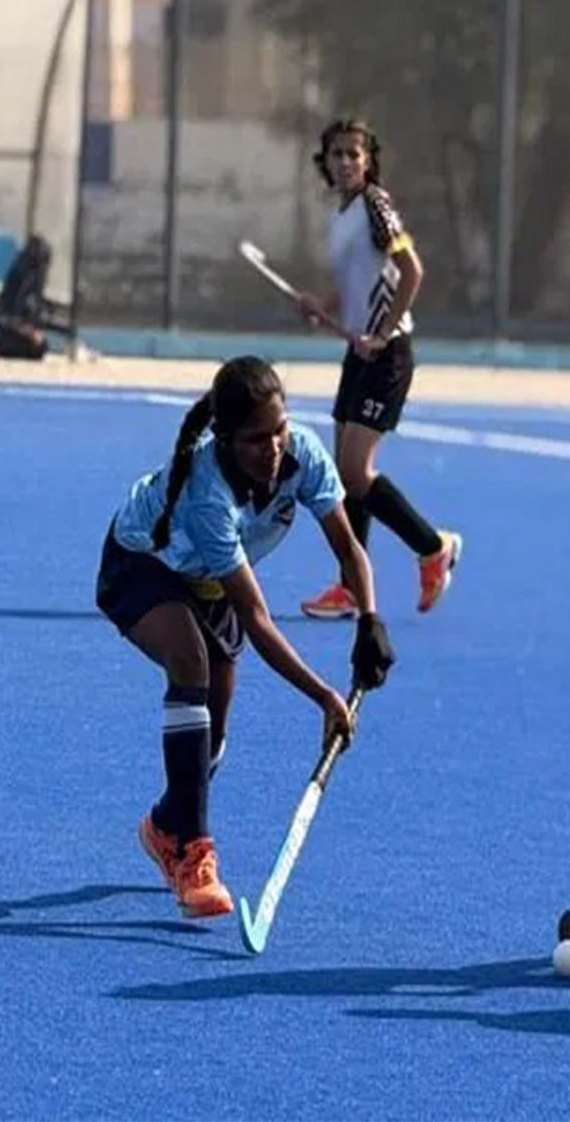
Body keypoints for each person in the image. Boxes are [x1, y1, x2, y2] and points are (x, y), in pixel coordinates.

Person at [96, 355, 395, 918]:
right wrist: (325, 698)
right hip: (141, 564)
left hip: (208, 583)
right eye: (258, 439)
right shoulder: (207, 495)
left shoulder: (302, 453)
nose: (274, 446)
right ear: (227, 439)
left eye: (280, 429)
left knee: (213, 734)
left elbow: (348, 547)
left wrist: (370, 620)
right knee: (190, 664)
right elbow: (257, 618)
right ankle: (192, 856)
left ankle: (165, 826)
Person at [294, 117, 462, 621]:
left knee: (353, 471)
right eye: (337, 154)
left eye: (354, 154)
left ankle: (432, 547)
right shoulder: (342, 214)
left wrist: (383, 333)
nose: (345, 162)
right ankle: (350, 587)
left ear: (368, 161)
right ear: (324, 161)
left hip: (386, 355)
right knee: (344, 477)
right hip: (359, 355)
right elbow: (359, 286)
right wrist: (319, 304)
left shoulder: (375, 206)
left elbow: (411, 271)